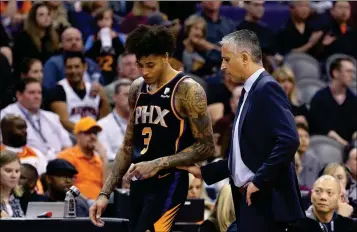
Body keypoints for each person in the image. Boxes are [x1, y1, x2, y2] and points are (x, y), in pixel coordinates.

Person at [89, 25, 215, 232]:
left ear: (165, 57)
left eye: (150, 65)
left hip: (170, 183)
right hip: (139, 183)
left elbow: (207, 147)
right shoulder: (137, 88)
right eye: (140, 65)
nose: (144, 72)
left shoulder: (188, 90)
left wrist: (158, 164)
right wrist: (104, 194)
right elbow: (128, 146)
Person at [180, 30, 305, 232]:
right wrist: (204, 172)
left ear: (245, 57)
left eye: (227, 59)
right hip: (251, 202)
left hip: (267, 203)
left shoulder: (267, 88)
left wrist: (260, 180)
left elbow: (289, 139)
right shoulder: (249, 90)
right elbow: (247, 155)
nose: (222, 66)